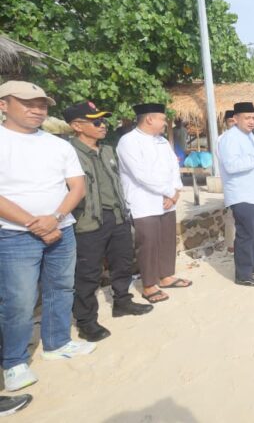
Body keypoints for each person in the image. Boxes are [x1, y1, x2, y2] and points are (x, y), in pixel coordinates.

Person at [0, 81, 93, 392]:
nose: (37, 109)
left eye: (42, 104)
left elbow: (77, 187)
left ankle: (57, 342)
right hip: (14, 235)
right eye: (27, 103)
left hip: (61, 230)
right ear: (3, 105)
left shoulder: (59, 145)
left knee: (61, 287)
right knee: (19, 301)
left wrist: (54, 219)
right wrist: (33, 223)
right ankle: (14, 362)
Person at [64, 101, 153, 342]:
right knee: (88, 273)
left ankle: (122, 302)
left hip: (117, 215)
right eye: (96, 121)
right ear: (76, 126)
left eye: (103, 120)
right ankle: (86, 321)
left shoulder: (106, 150)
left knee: (122, 262)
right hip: (88, 220)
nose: (103, 125)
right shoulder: (68, 153)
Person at [117, 103, 191, 304]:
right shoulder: (128, 141)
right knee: (148, 242)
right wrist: (168, 191)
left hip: (168, 200)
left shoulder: (162, 142)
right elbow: (141, 174)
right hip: (143, 201)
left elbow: (173, 166)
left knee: (166, 239)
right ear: (149, 119)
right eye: (162, 119)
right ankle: (149, 285)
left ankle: (166, 276)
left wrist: (175, 191)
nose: (165, 122)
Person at [218, 102, 254, 287]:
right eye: (247, 118)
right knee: (246, 234)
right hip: (242, 195)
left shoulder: (252, 136)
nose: (252, 121)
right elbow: (232, 166)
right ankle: (243, 274)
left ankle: (252, 265)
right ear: (235, 119)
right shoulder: (230, 138)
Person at [218, 111, 237, 252]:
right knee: (231, 214)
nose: (233, 124)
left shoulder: (245, 138)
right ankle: (231, 244)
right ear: (225, 122)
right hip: (231, 182)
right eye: (230, 121)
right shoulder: (222, 139)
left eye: (234, 121)